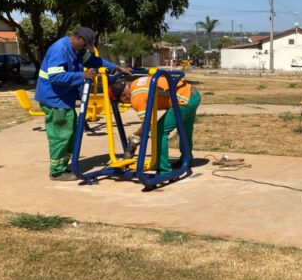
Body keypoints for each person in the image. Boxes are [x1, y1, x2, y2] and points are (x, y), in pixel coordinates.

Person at [35, 27, 131, 181]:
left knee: (70, 133)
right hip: (54, 98)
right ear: (78, 38)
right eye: (85, 45)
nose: (86, 49)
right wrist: (83, 75)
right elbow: (55, 76)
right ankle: (57, 172)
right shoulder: (60, 49)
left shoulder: (77, 50)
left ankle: (62, 165)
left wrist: (115, 67)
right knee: (61, 135)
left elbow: (94, 60)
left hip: (63, 98)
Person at [109, 72, 201, 174]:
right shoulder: (135, 83)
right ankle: (187, 159)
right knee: (184, 130)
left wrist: (135, 137)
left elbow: (147, 125)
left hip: (184, 101)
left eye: (121, 101)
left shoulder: (136, 97)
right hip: (192, 95)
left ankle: (164, 169)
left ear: (123, 95)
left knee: (159, 132)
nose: (125, 103)